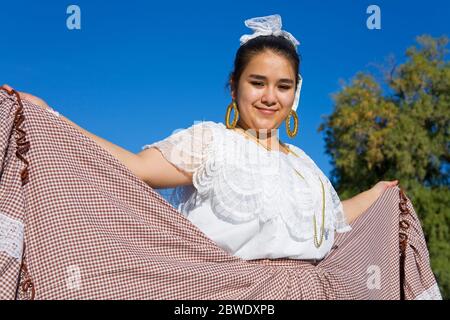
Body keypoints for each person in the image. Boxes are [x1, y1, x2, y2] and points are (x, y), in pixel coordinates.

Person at [1, 14, 398, 261]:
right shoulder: (212, 142)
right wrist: (50, 116)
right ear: (234, 87)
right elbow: (136, 168)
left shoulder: (305, 168)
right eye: (257, 82)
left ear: (296, 94)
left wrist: (379, 195)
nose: (269, 97)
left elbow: (330, 222)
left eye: (283, 86)